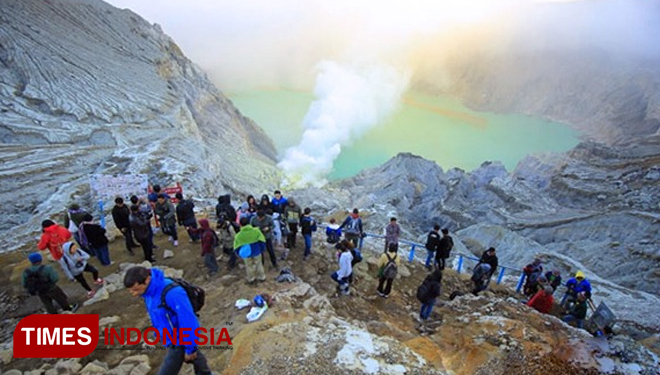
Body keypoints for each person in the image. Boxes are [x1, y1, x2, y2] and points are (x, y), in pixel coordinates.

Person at [124, 266, 213, 375]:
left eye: (136, 289)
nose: (133, 294)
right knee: (199, 363)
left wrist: (190, 348)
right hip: (171, 338)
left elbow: (188, 320)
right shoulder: (149, 293)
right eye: (130, 291)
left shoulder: (173, 293)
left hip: (178, 340)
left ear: (147, 280)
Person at [234, 217, 266, 285]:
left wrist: (239, 253)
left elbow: (236, 246)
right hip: (256, 250)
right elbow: (262, 240)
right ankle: (261, 277)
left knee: (249, 266)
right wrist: (262, 249)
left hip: (246, 252)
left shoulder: (238, 235)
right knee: (258, 264)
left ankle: (251, 279)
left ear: (240, 224)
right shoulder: (256, 231)